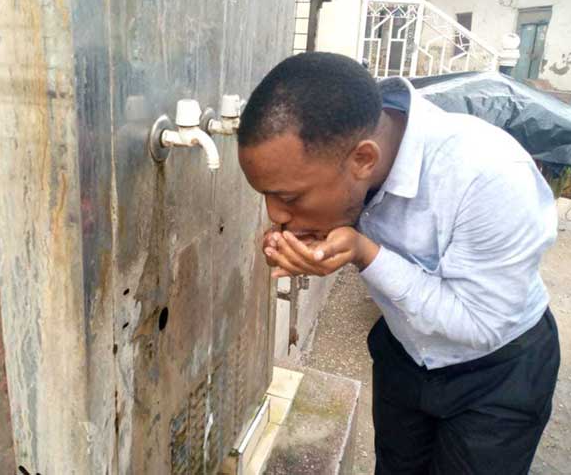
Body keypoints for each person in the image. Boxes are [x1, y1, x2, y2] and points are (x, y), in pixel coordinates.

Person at [237, 52, 560, 475]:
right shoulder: (354, 140)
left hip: (495, 375)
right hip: (404, 353)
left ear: (363, 160)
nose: (275, 215)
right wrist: (313, 238)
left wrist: (363, 252)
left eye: (290, 198)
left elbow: (480, 324)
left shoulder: (489, 176)